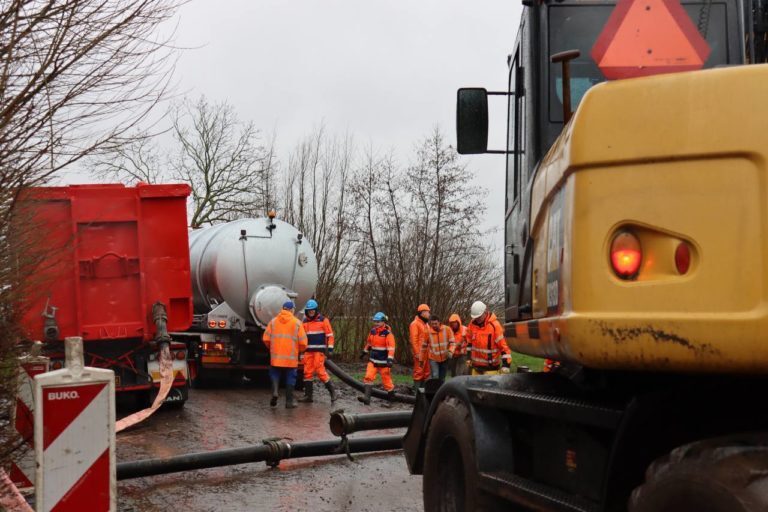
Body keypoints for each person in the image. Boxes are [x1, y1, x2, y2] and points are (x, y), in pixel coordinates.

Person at [262, 301, 308, 409]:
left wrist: (273, 349)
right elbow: (303, 343)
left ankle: (275, 392)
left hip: (276, 357)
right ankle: (289, 402)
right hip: (291, 359)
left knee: (274, 374)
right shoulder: (297, 323)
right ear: (292, 310)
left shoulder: (273, 322)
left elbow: (266, 339)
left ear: (282, 309)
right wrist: (298, 351)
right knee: (290, 378)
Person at [298, 299, 338, 403]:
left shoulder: (323, 320)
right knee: (307, 372)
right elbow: (302, 338)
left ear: (316, 310)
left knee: (320, 371)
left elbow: (330, 336)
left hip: (319, 351)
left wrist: (330, 349)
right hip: (308, 351)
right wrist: (301, 352)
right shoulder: (305, 322)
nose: (311, 312)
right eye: (309, 311)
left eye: (313, 310)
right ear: (307, 311)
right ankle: (308, 396)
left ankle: (333, 392)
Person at [359, 311, 396, 407]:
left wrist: (390, 359)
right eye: (375, 321)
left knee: (387, 382)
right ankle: (367, 399)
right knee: (368, 377)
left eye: (378, 322)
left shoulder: (388, 334)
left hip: (384, 362)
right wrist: (364, 352)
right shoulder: (373, 331)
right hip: (373, 360)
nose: (376, 323)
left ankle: (391, 401)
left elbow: (391, 348)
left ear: (383, 322)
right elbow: (369, 343)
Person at [466, 301, 512, 376]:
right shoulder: (472, 325)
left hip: (491, 369)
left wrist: (506, 365)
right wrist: (468, 357)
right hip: (475, 368)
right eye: (475, 317)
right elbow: (469, 342)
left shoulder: (495, 326)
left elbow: (504, 347)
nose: (477, 319)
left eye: (479, 317)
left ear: (485, 312)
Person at [409, 303, 431, 392]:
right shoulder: (415, 324)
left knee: (426, 373)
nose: (429, 314)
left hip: (427, 353)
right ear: (422, 313)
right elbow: (414, 340)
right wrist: (417, 353)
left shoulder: (426, 324)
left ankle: (423, 393)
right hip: (420, 354)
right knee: (418, 372)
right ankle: (416, 393)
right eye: (427, 312)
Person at [426, 315, 455, 383]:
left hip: (445, 358)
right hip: (433, 358)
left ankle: (441, 392)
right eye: (432, 324)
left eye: (435, 323)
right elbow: (423, 346)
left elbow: (453, 343)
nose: (434, 325)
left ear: (439, 322)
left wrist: (450, 351)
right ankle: (434, 392)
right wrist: (421, 359)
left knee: (442, 377)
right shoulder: (428, 332)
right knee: (435, 376)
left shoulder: (447, 329)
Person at [447, 313, 468, 377]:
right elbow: (447, 343)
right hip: (453, 355)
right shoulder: (449, 331)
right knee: (453, 374)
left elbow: (470, 342)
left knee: (459, 373)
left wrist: (461, 345)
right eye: (452, 323)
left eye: (455, 322)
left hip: (462, 355)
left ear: (458, 322)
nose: (453, 324)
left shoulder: (465, 329)